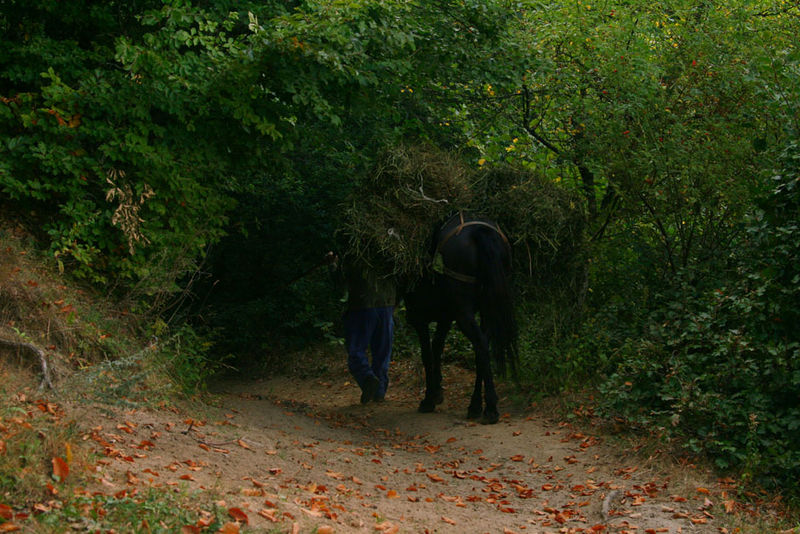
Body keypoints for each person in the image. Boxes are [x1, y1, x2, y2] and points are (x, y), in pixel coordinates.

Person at [328, 252, 397, 404]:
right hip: (386, 305)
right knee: (382, 352)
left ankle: (368, 379)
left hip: (362, 306)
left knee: (356, 351)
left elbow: (340, 281)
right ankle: (379, 392)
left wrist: (333, 265)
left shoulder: (354, 254)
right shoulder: (391, 252)